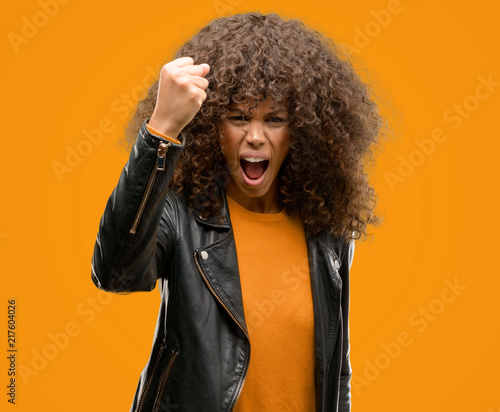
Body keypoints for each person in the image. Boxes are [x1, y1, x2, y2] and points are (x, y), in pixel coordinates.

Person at [91, 11, 384, 412]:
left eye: (274, 119)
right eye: (238, 117)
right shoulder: (181, 216)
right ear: (213, 127)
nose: (256, 137)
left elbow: (337, 371)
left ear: (301, 131)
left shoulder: (325, 231)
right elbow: (115, 273)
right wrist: (160, 130)